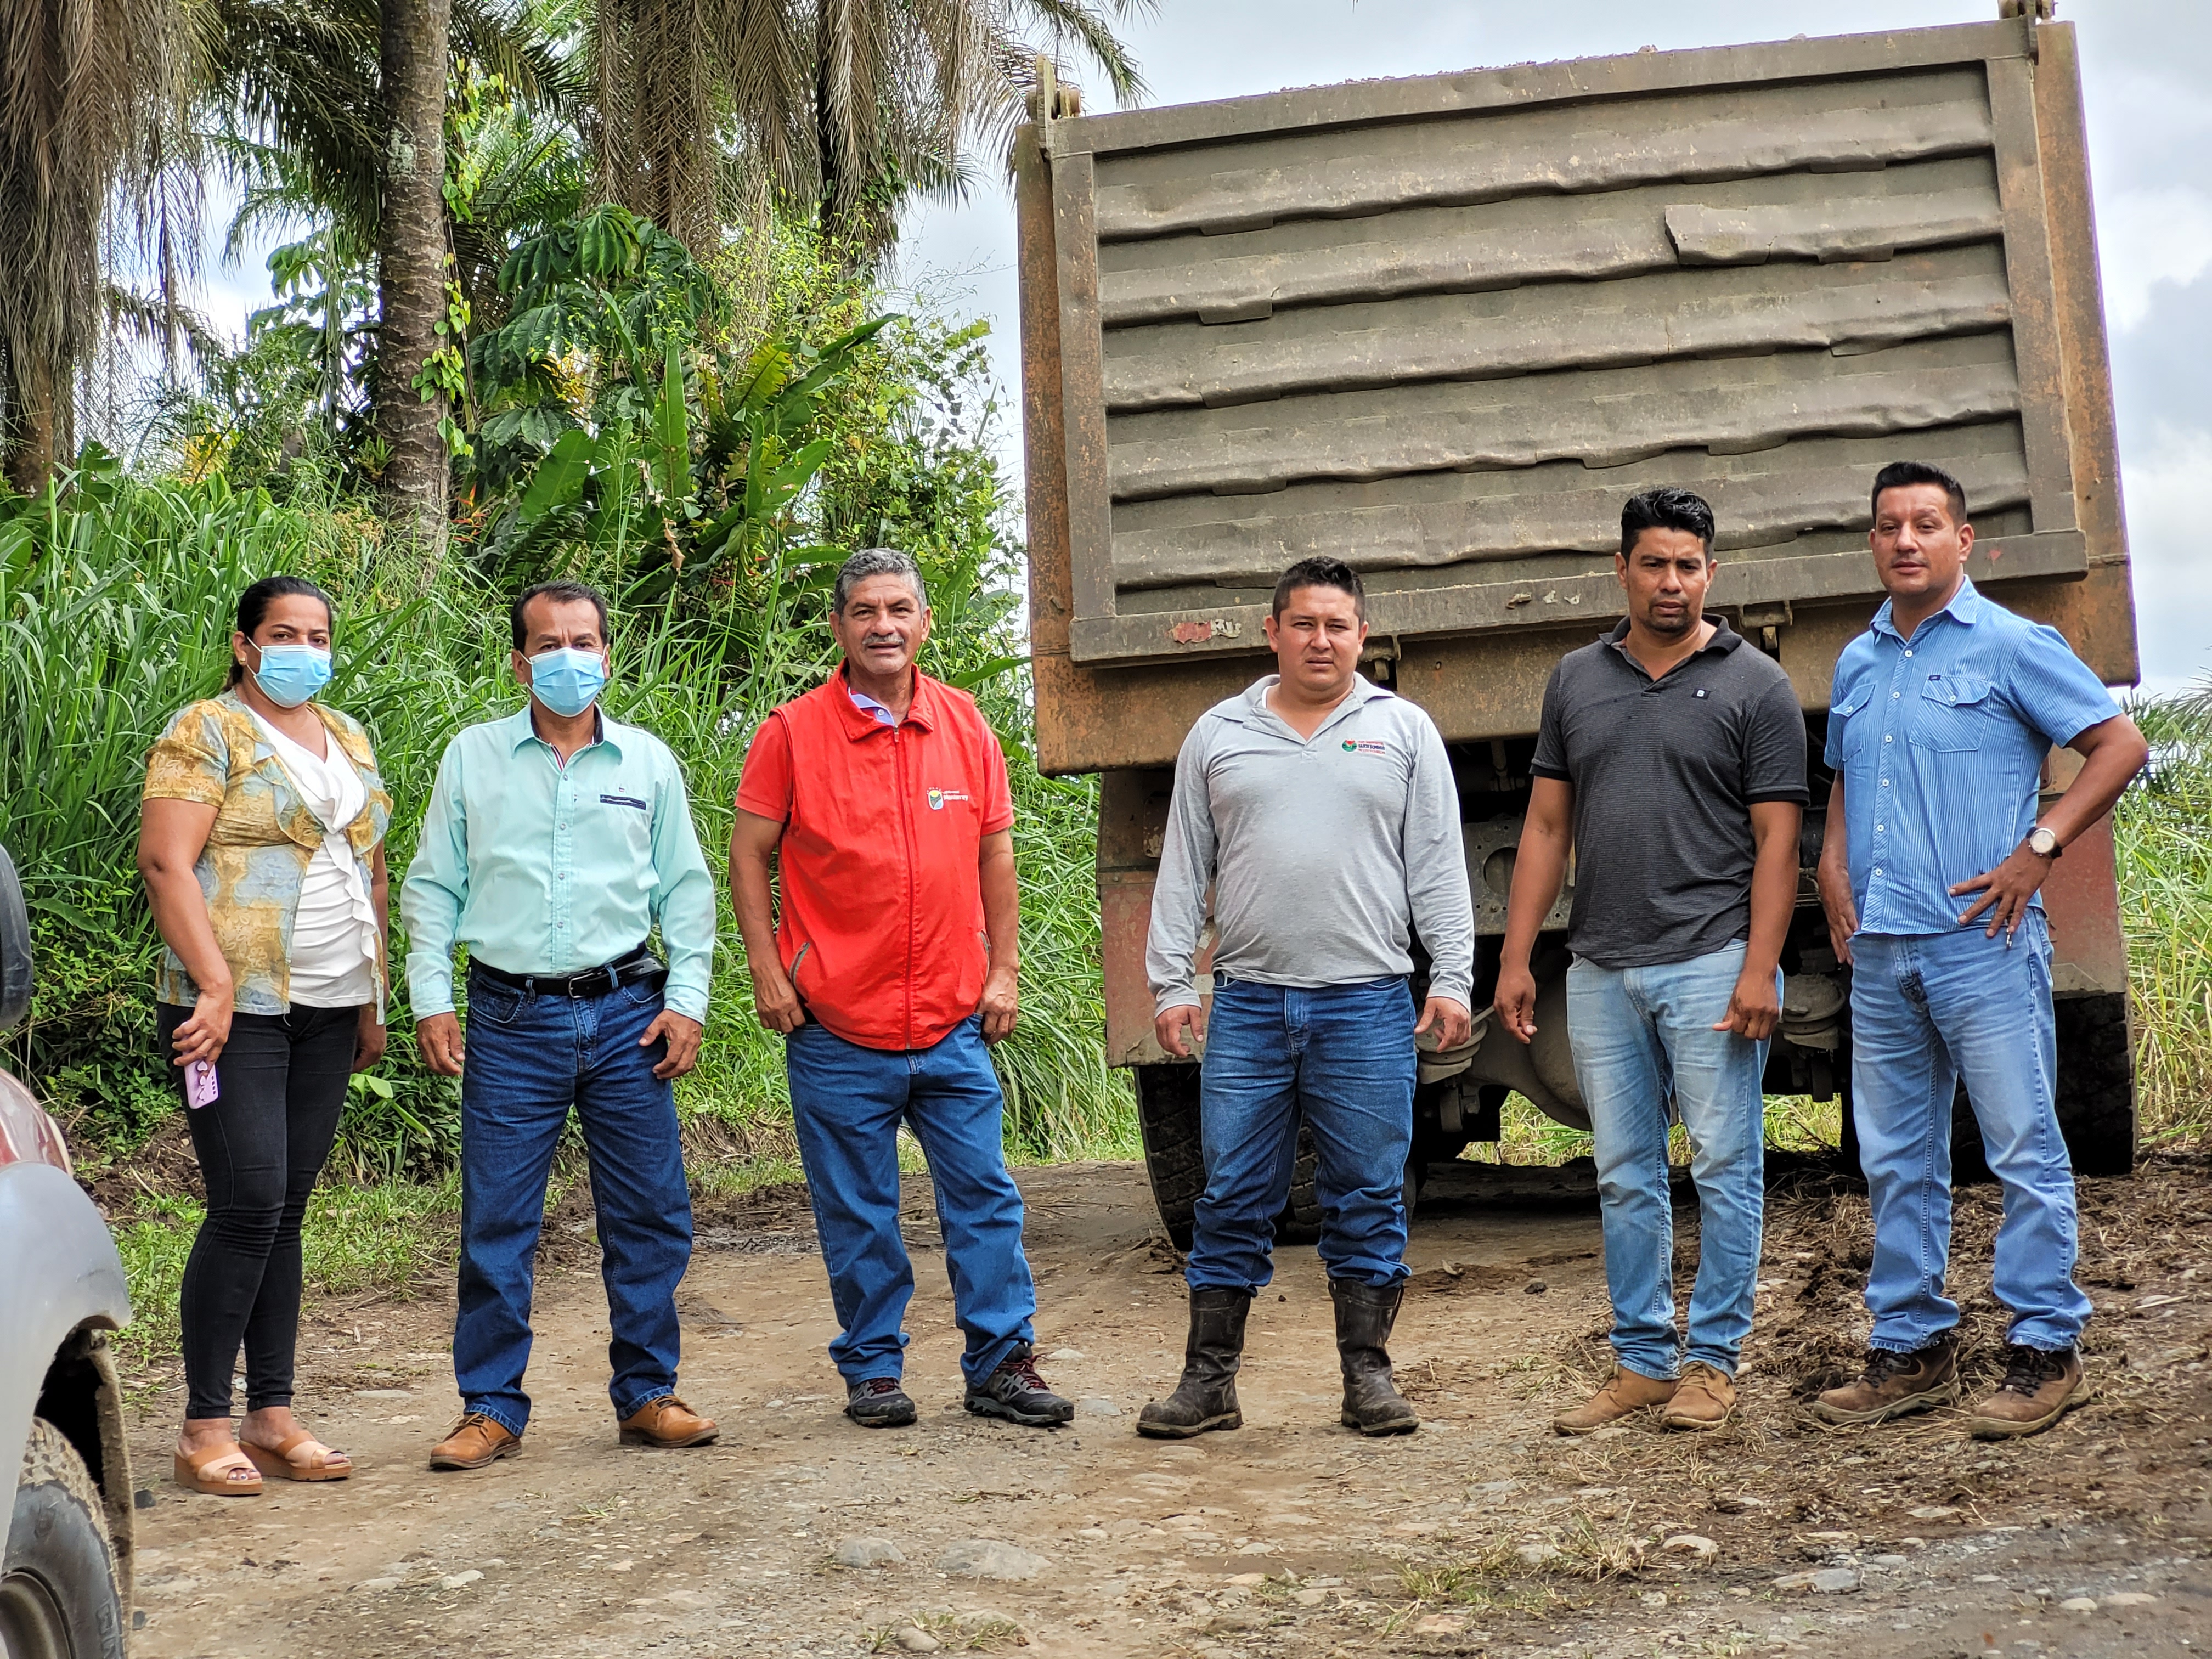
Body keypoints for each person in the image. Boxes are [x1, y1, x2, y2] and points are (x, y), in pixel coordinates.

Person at [1812, 461, 2149, 1440]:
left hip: (1982, 944)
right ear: (1873, 544)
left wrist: (2039, 850)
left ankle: (2046, 1346)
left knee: (2021, 1146)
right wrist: (1831, 866)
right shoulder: (1859, 661)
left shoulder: (2013, 644)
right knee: (1896, 1157)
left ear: (1964, 541)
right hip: (1883, 950)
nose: (1905, 541)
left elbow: (2120, 746)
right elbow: (1848, 778)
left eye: (1926, 524)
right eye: (1889, 526)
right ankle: (1911, 1347)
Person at [728, 548, 1071, 1430]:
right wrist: (768, 970)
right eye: (865, 611)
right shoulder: (792, 733)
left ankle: (1002, 1364)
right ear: (839, 627)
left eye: (899, 610)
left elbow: (995, 854)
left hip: (953, 1022)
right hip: (837, 1026)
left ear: (924, 622)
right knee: (859, 1213)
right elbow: (749, 854)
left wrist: (1004, 970)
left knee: (986, 1199)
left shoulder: (964, 724)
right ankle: (874, 1370)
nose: (883, 626)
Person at [1495, 489, 1808, 1436]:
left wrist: (1760, 967)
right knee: (1624, 1172)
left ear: (1712, 572)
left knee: (1724, 1164)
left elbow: (1778, 842)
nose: (1671, 582)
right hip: (1600, 967)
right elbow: (1546, 827)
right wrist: (1517, 958)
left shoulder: (1756, 685)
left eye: (1688, 565)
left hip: (1713, 959)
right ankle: (1641, 1362)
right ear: (1622, 570)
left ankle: (1713, 1363)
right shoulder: (1576, 680)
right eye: (1654, 564)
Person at [1142, 555, 1475, 1440]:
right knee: (1231, 1196)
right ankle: (1207, 1384)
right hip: (1250, 1006)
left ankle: (1368, 1379)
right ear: (1273, 633)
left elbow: (1438, 867)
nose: (1320, 641)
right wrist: (1172, 983)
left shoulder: (1402, 729)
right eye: (1303, 624)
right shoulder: (1219, 732)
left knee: (1367, 1194)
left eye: (1337, 626)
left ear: (1362, 635)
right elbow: (1185, 869)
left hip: (1366, 1004)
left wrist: (1450, 977)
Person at [402, 580, 719, 1469]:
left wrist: (688, 1000)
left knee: (649, 1214)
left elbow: (687, 893)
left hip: (628, 1015)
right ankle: (490, 1406)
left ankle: (647, 1393)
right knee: (497, 1222)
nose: (567, 659)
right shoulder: (472, 758)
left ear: (607, 657)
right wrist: (431, 997)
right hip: (510, 1019)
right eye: (548, 645)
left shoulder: (647, 763)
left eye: (583, 642)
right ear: (519, 663)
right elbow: (432, 885)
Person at [140, 575, 391, 1495]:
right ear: (245, 645)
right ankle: (204, 1425)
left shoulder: (348, 734)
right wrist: (211, 985)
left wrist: (374, 997)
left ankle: (272, 1414)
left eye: (319, 635)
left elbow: (371, 869)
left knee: (286, 1206)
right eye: (285, 634)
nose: (305, 650)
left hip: (330, 1000)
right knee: (247, 1199)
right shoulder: (208, 729)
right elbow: (166, 863)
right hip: (229, 1008)